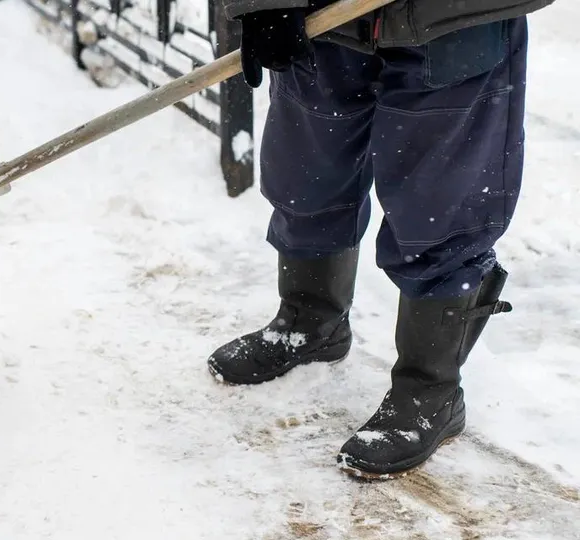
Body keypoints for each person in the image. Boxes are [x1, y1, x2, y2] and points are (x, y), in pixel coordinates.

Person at [208, 0, 556, 479]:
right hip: (323, 16)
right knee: (307, 176)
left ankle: (429, 389)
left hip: (452, 20)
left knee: (441, 206)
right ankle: (310, 323)